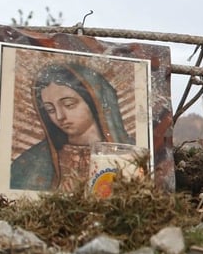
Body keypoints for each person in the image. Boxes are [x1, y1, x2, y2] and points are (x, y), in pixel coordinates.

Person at [10, 62, 131, 191]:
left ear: (95, 102)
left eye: (69, 104)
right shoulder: (31, 163)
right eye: (50, 109)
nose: (59, 116)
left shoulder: (130, 155)